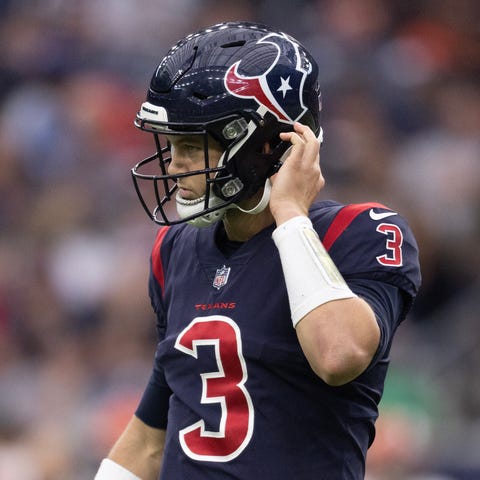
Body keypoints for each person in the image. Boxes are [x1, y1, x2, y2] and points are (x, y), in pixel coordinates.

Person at [94, 21, 421, 480]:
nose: (174, 163)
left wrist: (289, 211)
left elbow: (338, 357)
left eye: (192, 145)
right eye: (171, 143)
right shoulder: (176, 250)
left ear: (266, 145)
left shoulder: (358, 232)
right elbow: (151, 436)